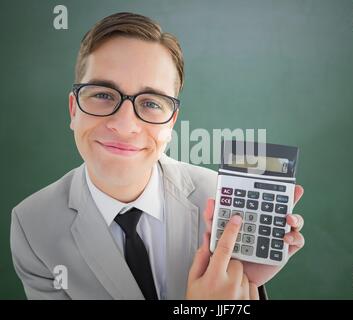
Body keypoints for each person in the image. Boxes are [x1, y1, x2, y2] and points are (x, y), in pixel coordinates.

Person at [10, 12, 305, 300]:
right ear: (74, 110)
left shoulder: (220, 201)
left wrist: (244, 280)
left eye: (151, 103)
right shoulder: (32, 226)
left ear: (171, 122)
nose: (125, 126)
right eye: (102, 94)